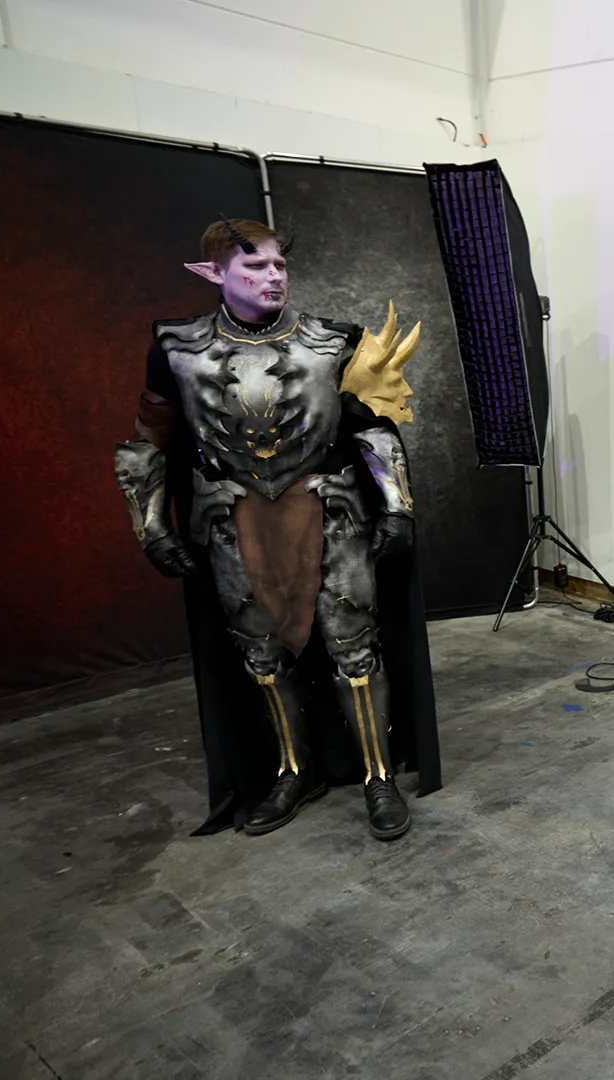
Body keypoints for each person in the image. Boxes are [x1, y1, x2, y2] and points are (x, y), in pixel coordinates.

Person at [113, 218, 442, 840]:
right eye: (255, 266)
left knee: (354, 650)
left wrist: (398, 507)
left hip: (329, 512)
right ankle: (294, 770)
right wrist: (151, 525)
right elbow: (150, 440)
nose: (273, 277)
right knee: (260, 655)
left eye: (279, 266)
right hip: (233, 521)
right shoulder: (177, 348)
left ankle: (378, 776)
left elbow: (372, 430)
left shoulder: (333, 341)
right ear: (213, 274)